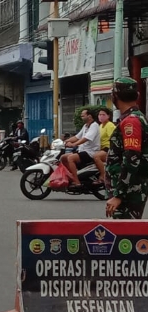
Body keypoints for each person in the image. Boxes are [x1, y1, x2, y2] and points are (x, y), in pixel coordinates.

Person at [105, 77, 148, 220]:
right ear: (137, 96)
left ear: (114, 96)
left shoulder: (131, 121)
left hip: (129, 191)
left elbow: (131, 159)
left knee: (126, 236)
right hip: (128, 188)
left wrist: (119, 195)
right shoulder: (133, 118)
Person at [61, 108, 100, 188]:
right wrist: (65, 141)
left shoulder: (94, 126)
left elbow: (86, 138)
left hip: (90, 152)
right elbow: (77, 137)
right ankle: (73, 176)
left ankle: (77, 182)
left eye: (83, 116)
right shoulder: (85, 126)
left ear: (89, 116)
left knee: (71, 158)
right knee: (63, 157)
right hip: (82, 150)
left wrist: (74, 144)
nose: (81, 117)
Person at [92, 107, 116, 186]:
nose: (101, 116)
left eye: (103, 115)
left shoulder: (110, 125)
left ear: (108, 116)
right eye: (99, 114)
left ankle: (103, 176)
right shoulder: (100, 126)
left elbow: (113, 139)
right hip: (100, 148)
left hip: (108, 148)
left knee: (96, 157)